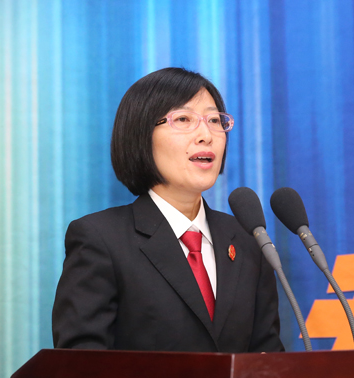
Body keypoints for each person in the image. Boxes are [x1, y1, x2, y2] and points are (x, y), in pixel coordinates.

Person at [52, 67, 284, 353]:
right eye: (184, 119)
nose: (206, 135)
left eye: (214, 120)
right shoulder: (101, 239)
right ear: (141, 134)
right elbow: (80, 366)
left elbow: (268, 359)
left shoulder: (248, 242)